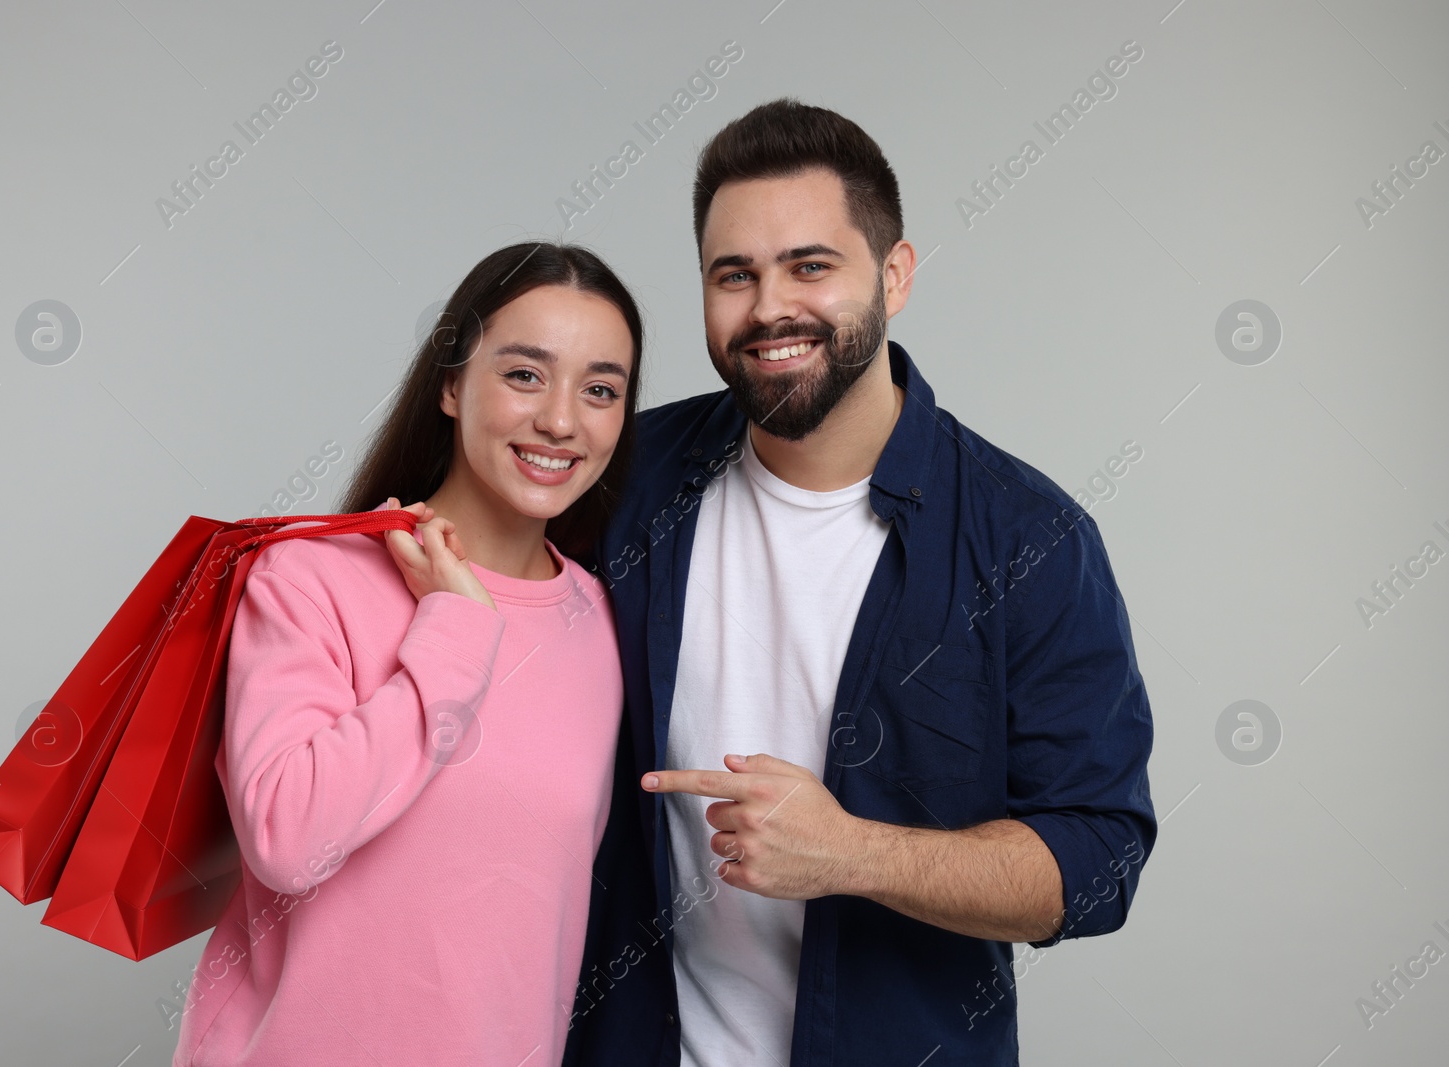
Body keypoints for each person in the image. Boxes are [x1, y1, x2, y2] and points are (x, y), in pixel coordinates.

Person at [561, 100, 1157, 1066]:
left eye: (809, 266)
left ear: (894, 275)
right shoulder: (625, 477)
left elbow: (1099, 862)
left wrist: (849, 852)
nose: (767, 309)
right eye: (733, 275)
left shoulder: (1032, 541)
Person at [172, 242, 645, 1067]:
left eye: (600, 389)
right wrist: (456, 629)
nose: (562, 420)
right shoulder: (309, 577)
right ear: (452, 385)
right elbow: (288, 838)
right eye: (525, 374)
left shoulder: (603, 624)